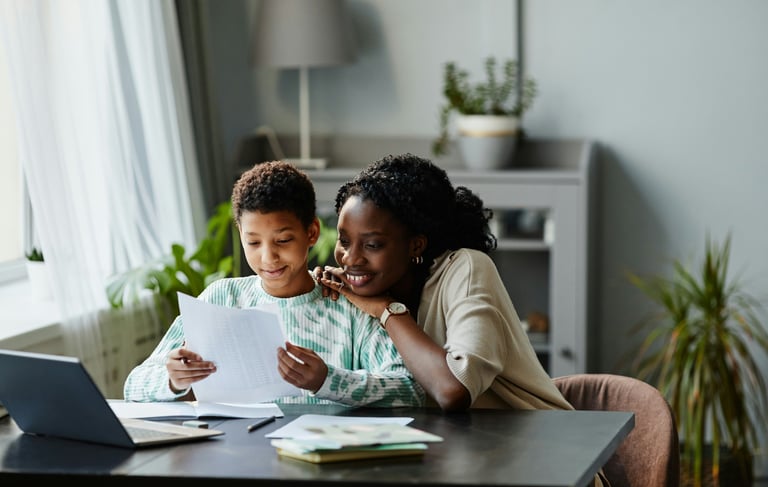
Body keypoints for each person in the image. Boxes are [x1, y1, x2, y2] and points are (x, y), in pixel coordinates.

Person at [123, 160, 425, 408]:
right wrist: (173, 379)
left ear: (311, 232)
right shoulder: (221, 298)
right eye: (253, 242)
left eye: (283, 240)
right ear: (240, 233)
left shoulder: (348, 304)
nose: (268, 257)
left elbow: (410, 391)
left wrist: (327, 381)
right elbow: (133, 385)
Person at [317, 153, 574, 413]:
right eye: (344, 241)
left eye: (372, 245)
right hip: (453, 445)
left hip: (538, 440)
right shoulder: (369, 289)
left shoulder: (467, 267)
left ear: (416, 244)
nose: (350, 258)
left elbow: (453, 390)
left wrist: (387, 310)